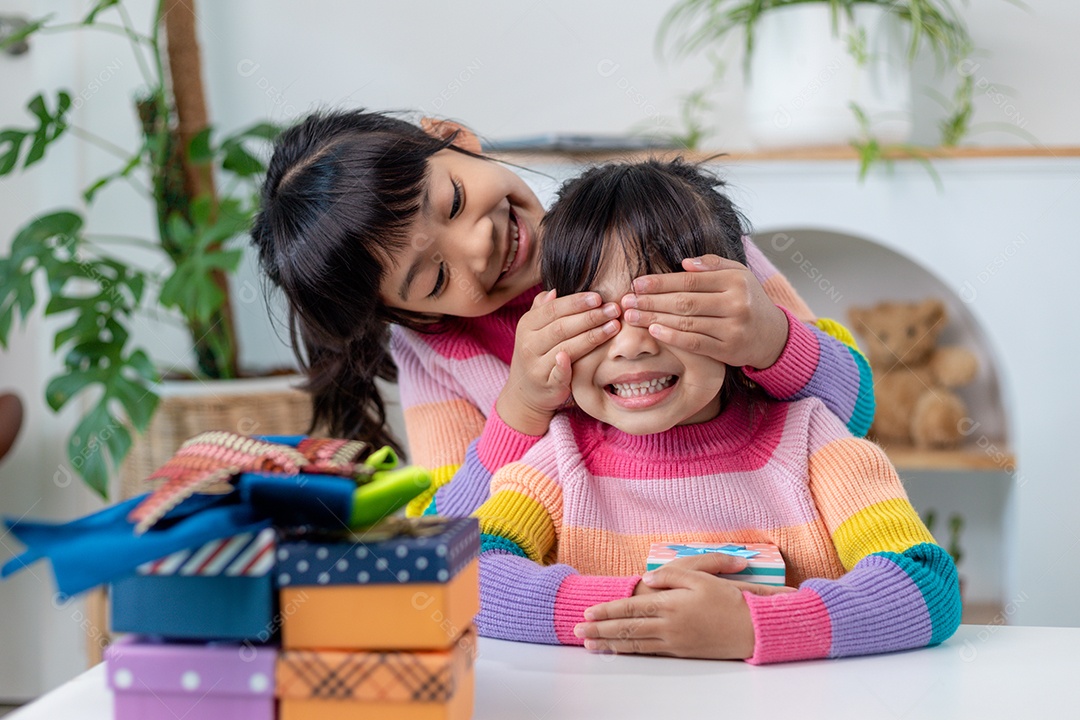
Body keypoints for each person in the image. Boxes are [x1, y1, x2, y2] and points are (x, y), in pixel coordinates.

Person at [251, 110, 874, 517]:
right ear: (405, 314)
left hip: (772, 561)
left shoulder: (661, 223)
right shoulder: (439, 354)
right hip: (596, 608)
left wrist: (771, 341)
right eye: (437, 277)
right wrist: (520, 408)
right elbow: (451, 532)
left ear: (457, 139)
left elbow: (855, 410)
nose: (478, 245)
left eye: (455, 200)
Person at [469, 159, 960, 663]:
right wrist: (637, 612)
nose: (631, 347)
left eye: (666, 308)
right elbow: (466, 573)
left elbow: (927, 585)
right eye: (597, 317)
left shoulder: (812, 442)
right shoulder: (561, 458)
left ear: (733, 317)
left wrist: (755, 626)